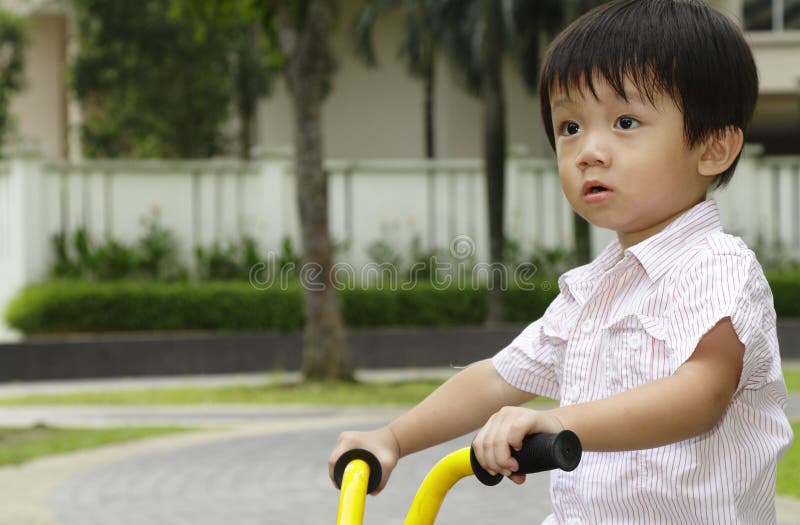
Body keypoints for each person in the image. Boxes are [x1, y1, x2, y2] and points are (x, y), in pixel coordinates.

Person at [329, 0, 794, 522]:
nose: (588, 151)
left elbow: (702, 393)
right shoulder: (592, 290)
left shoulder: (717, 266)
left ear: (712, 148)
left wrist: (562, 421)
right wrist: (393, 437)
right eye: (570, 127)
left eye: (625, 121)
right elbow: (497, 379)